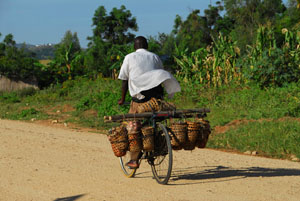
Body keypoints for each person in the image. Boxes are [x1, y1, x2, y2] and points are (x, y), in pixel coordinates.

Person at [118, 36, 181, 169]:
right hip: (157, 98)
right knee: (155, 121)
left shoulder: (129, 57)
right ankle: (158, 143)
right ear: (147, 46)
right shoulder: (155, 57)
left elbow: (124, 80)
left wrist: (122, 99)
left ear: (135, 47)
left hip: (140, 100)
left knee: (133, 128)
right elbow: (159, 74)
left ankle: (134, 160)